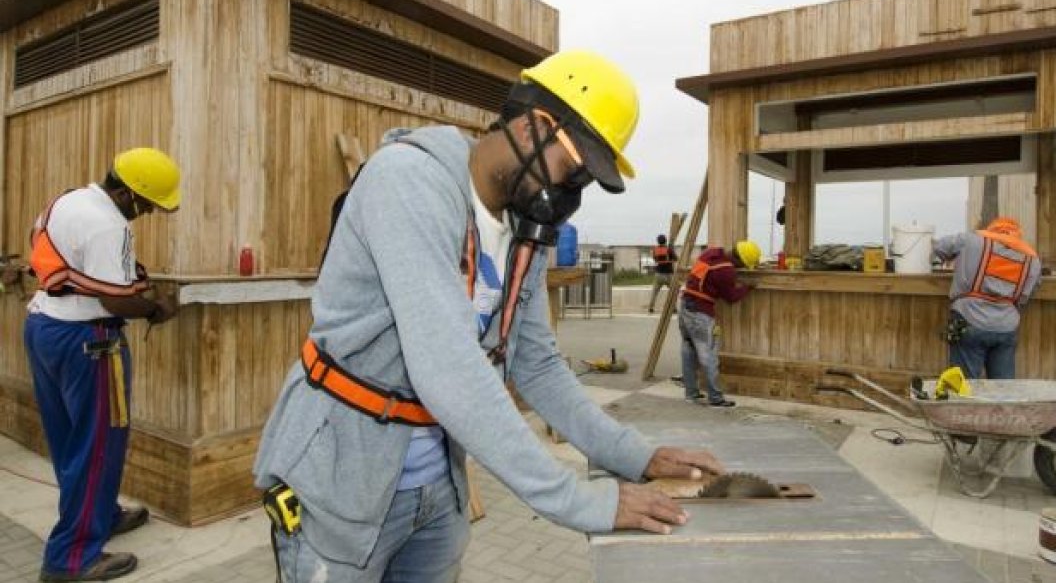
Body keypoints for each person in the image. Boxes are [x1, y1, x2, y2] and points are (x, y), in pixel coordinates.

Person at [253, 49, 724, 582]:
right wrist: (577, 500)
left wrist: (636, 456)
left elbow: (537, 364)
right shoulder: (408, 181)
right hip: (342, 489)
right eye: (576, 169)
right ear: (532, 127)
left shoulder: (527, 227)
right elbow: (448, 368)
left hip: (436, 493)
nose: (574, 193)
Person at [25, 148, 181, 582]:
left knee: (71, 441)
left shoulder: (68, 200)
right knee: (96, 446)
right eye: (148, 204)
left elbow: (43, 249)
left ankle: (100, 514)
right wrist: (155, 309)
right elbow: (115, 298)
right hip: (88, 342)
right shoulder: (109, 226)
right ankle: (70, 559)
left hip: (43, 329)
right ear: (129, 194)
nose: (148, 212)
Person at [932, 217, 1042, 380]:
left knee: (964, 386)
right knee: (1003, 390)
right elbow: (1026, 295)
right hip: (1006, 327)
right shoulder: (1032, 260)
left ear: (991, 230)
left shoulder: (972, 241)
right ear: (1017, 236)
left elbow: (940, 248)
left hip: (968, 320)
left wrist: (936, 263)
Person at [677, 240, 760, 407]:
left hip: (684, 304)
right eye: (743, 264)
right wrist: (747, 288)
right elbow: (731, 298)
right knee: (709, 355)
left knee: (689, 350)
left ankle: (691, 393)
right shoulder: (726, 271)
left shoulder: (711, 253)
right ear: (740, 260)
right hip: (699, 313)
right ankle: (715, 398)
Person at [647, 234, 677, 313]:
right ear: (665, 240)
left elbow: (655, 259)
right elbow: (676, 258)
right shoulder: (669, 249)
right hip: (669, 274)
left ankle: (651, 307)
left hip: (659, 274)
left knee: (654, 292)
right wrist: (671, 249)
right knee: (673, 292)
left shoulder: (655, 249)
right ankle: (673, 308)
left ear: (658, 241)